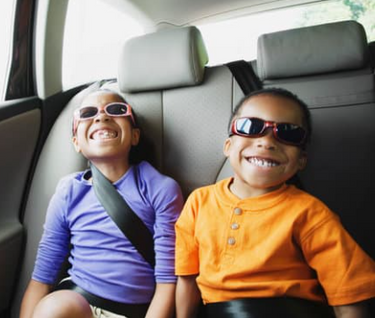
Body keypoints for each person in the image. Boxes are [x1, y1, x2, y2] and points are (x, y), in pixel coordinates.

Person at [175, 88, 375, 318]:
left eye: (288, 133)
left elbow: (348, 297)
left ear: (301, 160)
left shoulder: (310, 213)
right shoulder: (199, 202)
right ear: (228, 146)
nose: (267, 141)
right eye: (251, 127)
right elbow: (187, 278)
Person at [20, 89, 183, 318]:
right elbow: (42, 279)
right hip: (77, 305)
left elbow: (167, 281)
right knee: (53, 308)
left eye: (116, 110)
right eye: (88, 113)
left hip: (134, 311)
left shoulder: (161, 189)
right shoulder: (68, 191)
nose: (101, 117)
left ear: (135, 136)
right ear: (77, 142)